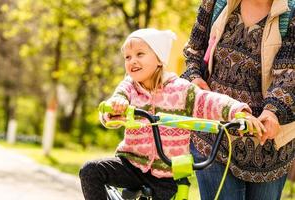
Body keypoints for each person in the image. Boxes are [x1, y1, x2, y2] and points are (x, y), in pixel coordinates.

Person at [79, 28, 265, 200]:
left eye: (140, 54)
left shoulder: (181, 90)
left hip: (167, 173)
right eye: (127, 57)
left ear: (159, 59)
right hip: (132, 164)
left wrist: (239, 111)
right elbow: (113, 106)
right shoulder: (129, 87)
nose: (132, 61)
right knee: (90, 171)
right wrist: (114, 109)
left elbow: (209, 101)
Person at [181, 0, 295, 199]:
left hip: (268, 148)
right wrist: (194, 77)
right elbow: (194, 50)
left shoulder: (290, 13)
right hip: (214, 136)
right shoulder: (215, 3)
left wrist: (273, 110)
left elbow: (290, 73)